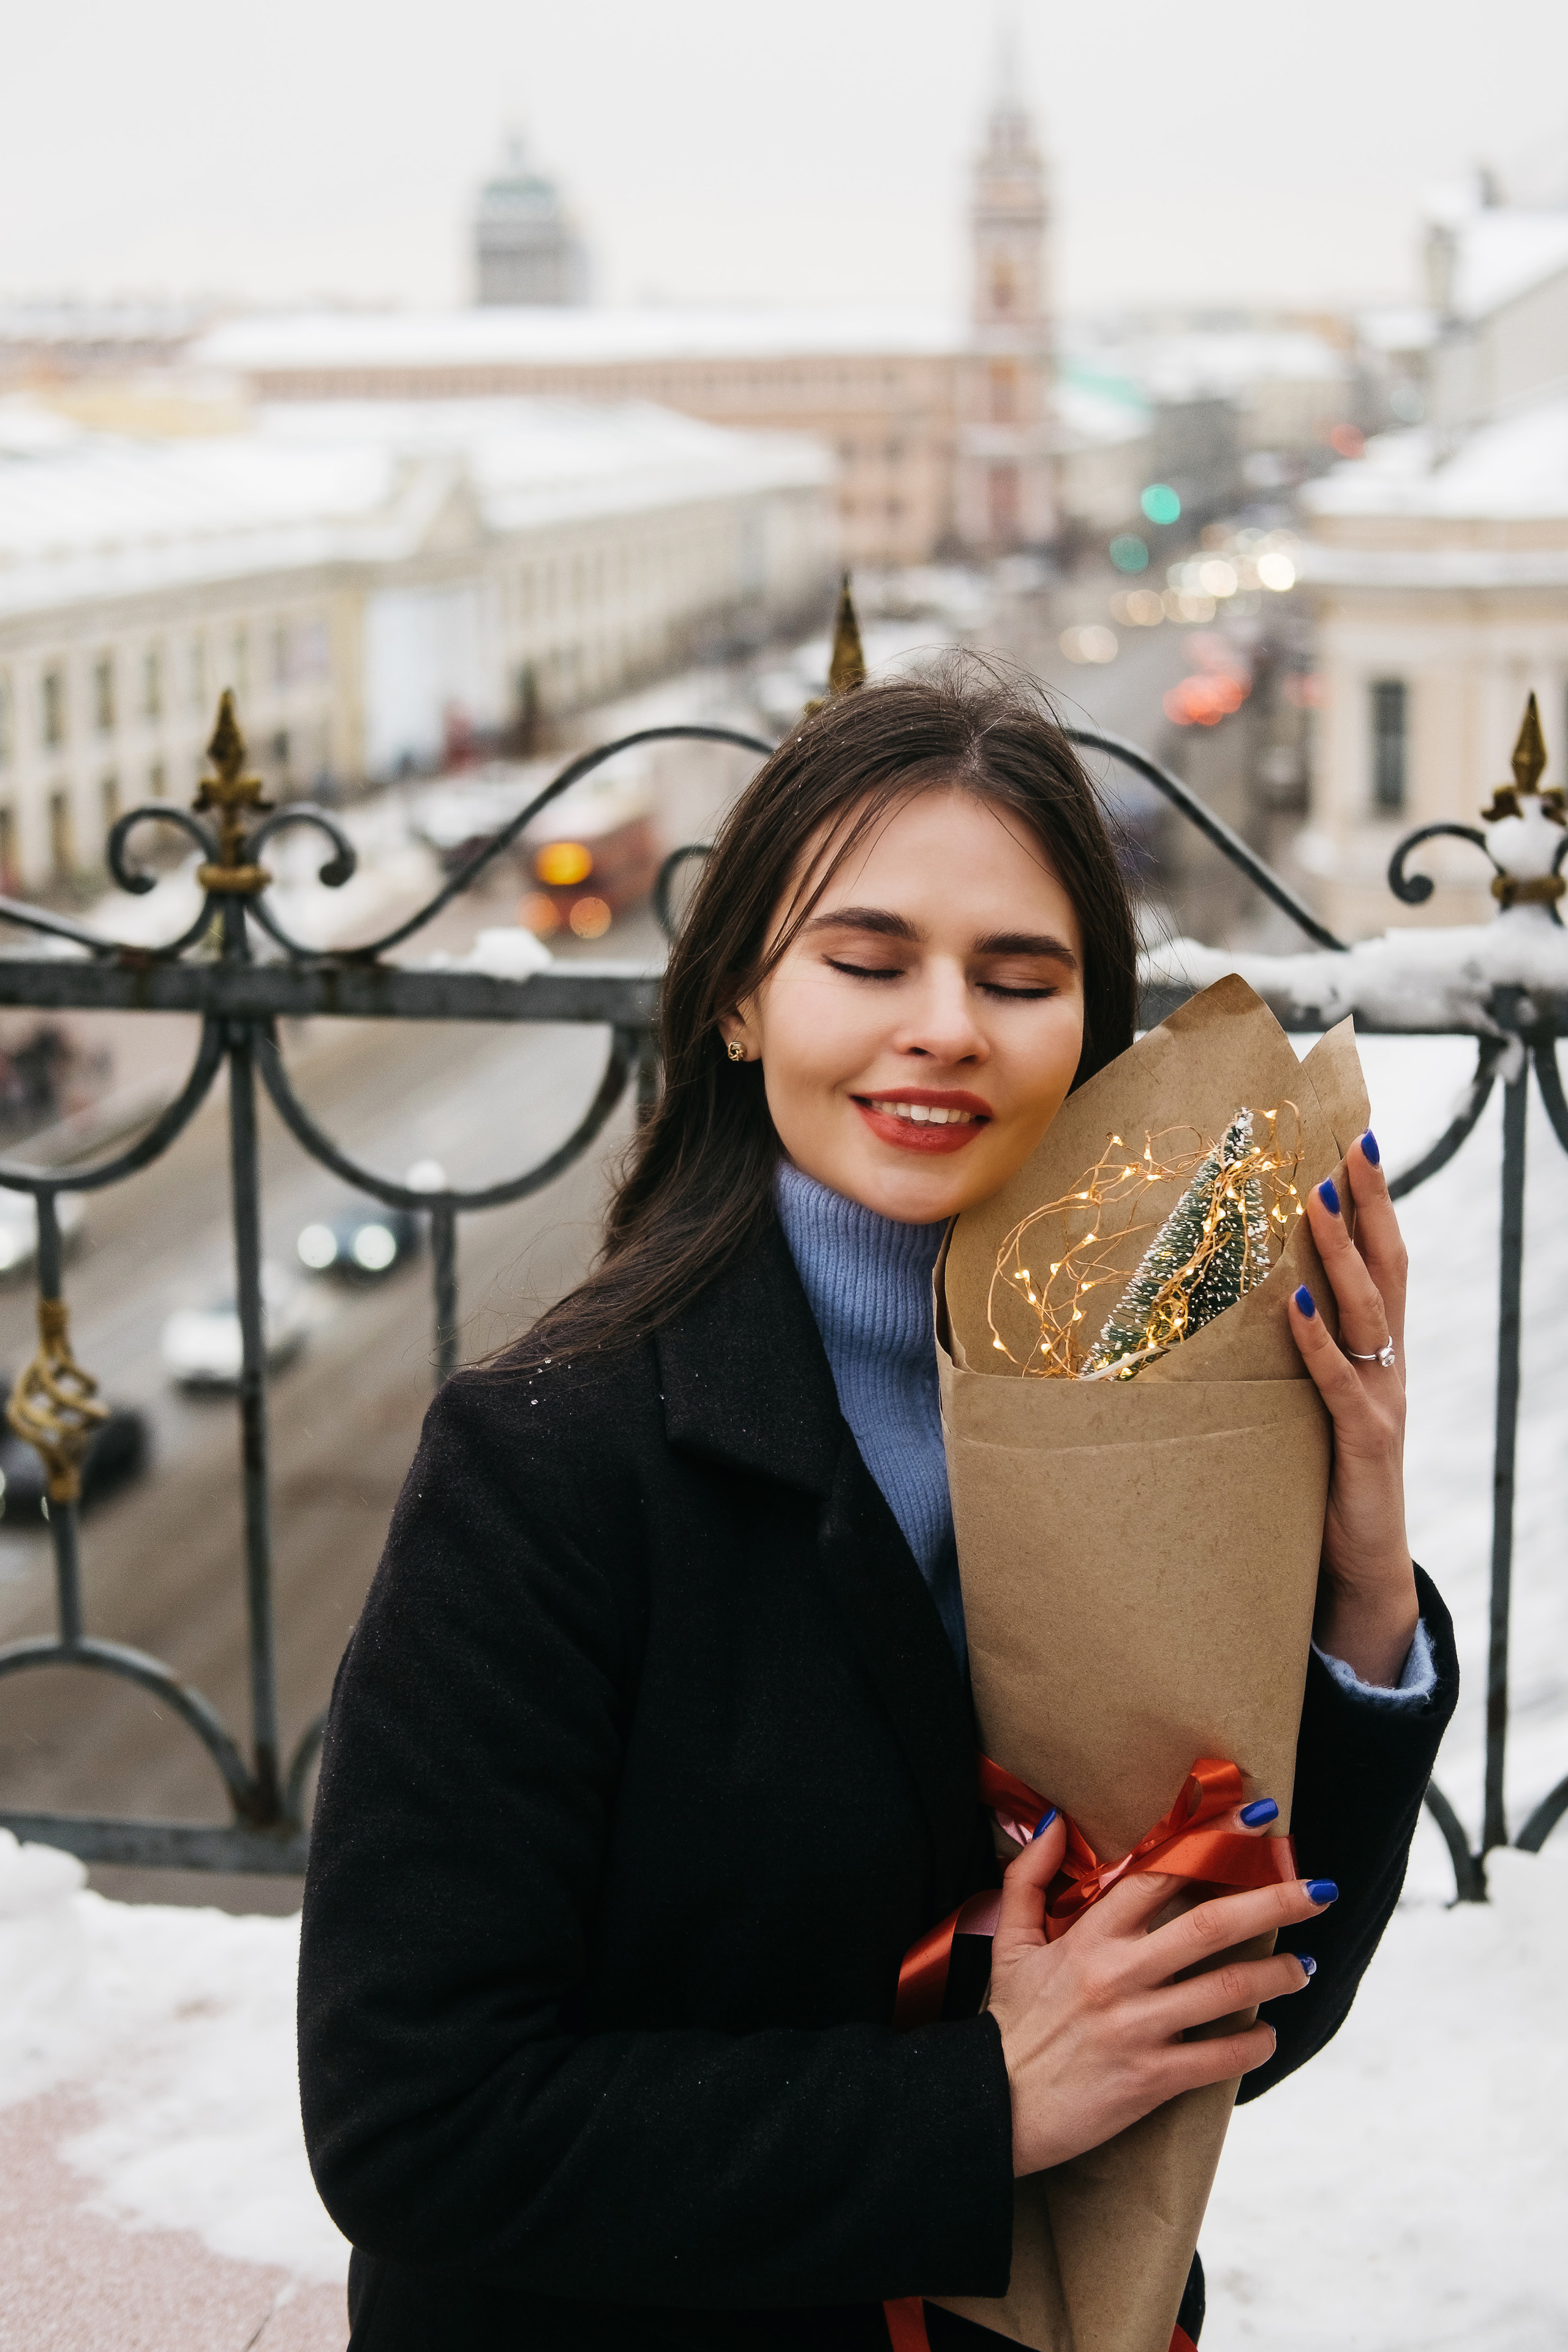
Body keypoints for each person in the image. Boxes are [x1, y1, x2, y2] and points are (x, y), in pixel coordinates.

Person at [298, 661, 1458, 2351]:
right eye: (865, 960)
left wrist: (1358, 1580)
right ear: (741, 1000)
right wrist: (977, 2106)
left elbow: (1228, 2025)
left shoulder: (1156, 1403)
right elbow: (417, 2121)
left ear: (1091, 1027)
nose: (947, 1026)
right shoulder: (551, 1458)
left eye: (1021, 976)